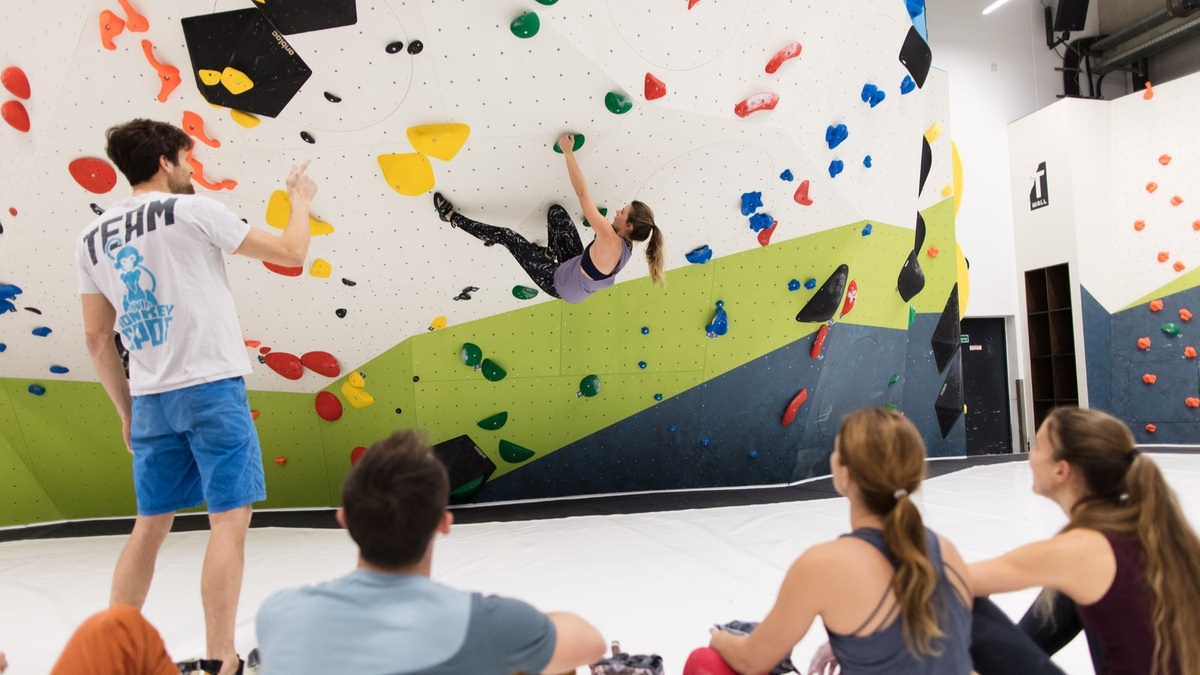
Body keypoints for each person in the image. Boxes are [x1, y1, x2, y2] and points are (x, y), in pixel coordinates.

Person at [77, 118, 318, 675]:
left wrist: (126, 411)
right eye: (186, 159)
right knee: (227, 524)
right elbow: (290, 253)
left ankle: (117, 659)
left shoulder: (91, 239)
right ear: (165, 160)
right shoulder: (193, 209)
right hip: (211, 388)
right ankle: (220, 660)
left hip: (151, 397)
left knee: (149, 526)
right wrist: (297, 199)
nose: (190, 170)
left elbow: (95, 338)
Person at [255, 429, 607, 674]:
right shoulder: (493, 622)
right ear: (443, 522)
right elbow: (591, 644)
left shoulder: (279, 613)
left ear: (344, 519)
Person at [688, 408, 974, 675]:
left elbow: (751, 660)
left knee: (704, 661)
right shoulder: (943, 549)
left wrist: (720, 636)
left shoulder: (821, 565)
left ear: (845, 476)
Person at [969, 407, 1200, 675]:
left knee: (968, 605)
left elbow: (952, 580)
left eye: (1039, 446)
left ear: (1062, 470)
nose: (1031, 456)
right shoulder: (1136, 526)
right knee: (1065, 595)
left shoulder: (1082, 548)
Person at [433, 133, 665, 303]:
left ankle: (451, 216)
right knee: (556, 213)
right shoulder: (627, 244)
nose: (617, 212)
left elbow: (583, 193)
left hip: (559, 283)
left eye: (622, 213)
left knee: (506, 236)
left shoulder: (609, 237)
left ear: (629, 225)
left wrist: (568, 152)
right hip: (574, 266)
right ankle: (549, 253)